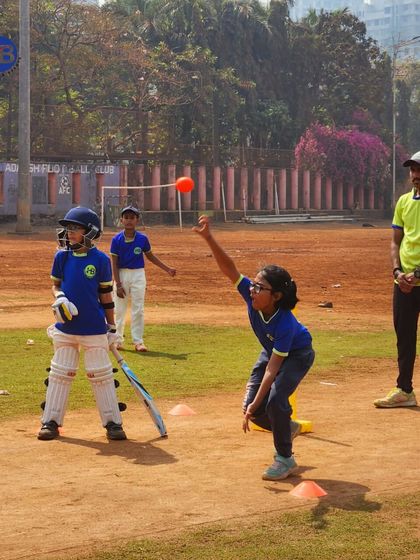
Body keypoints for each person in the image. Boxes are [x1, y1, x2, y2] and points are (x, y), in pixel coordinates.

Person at [193, 215, 315, 481]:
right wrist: (209, 238)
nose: (252, 289)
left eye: (260, 287)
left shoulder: (285, 323)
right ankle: (286, 426)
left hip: (296, 354)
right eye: (254, 284)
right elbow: (230, 270)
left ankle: (285, 458)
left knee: (274, 401)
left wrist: (256, 406)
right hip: (270, 350)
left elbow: (273, 370)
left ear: (277, 296)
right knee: (253, 406)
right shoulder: (253, 297)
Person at [38, 207, 126, 441]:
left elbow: (106, 296)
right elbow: (56, 285)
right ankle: (51, 422)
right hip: (65, 327)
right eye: (68, 228)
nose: (69, 232)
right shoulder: (61, 256)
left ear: (91, 232)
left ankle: (113, 424)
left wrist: (112, 327)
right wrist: (59, 297)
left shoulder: (100, 259)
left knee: (101, 375)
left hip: (93, 327)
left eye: (75, 228)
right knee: (59, 374)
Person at [374, 152, 420, 408]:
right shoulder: (403, 202)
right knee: (404, 338)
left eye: (419, 170)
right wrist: (397, 272)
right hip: (403, 284)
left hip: (417, 279)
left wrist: (418, 274)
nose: (415, 175)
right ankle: (405, 390)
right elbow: (395, 242)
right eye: (412, 170)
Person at [110, 206, 176, 352]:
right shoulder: (116, 239)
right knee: (119, 309)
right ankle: (117, 340)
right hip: (121, 274)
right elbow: (114, 262)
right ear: (121, 220)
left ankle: (138, 341)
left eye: (132, 218)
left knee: (138, 309)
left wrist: (167, 269)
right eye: (126, 217)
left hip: (138, 274)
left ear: (137, 220)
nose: (129, 220)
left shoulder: (142, 239)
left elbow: (150, 256)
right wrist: (118, 284)